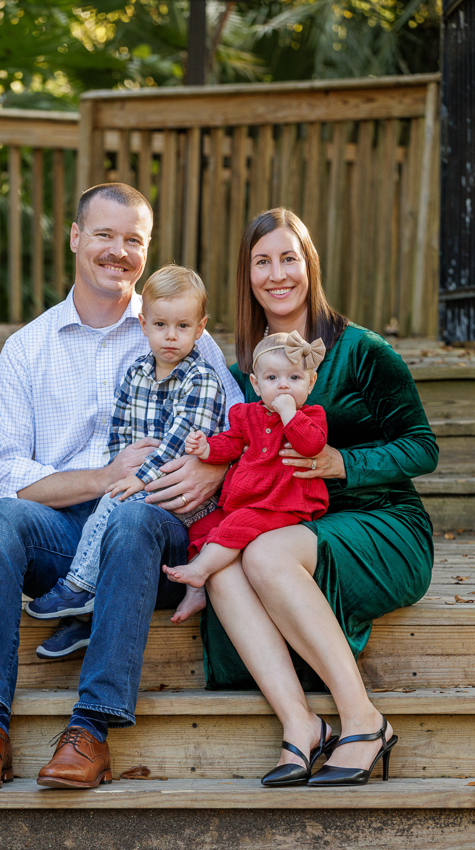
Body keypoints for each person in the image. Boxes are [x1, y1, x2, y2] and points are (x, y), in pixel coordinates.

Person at [0, 183, 243, 789]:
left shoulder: (177, 327)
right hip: (62, 532)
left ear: (147, 249)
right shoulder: (27, 348)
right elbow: (1, 476)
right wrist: (105, 478)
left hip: (153, 532)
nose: (118, 251)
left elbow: (240, 425)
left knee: (131, 519)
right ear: (75, 236)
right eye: (104, 234)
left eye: (133, 239)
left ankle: (91, 729)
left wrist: (213, 468)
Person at [198, 207, 438, 788]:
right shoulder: (244, 370)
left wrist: (343, 463)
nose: (277, 274)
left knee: (264, 554)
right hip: (286, 522)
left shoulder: (361, 351)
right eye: (262, 262)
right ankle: (300, 723)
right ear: (247, 274)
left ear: (310, 265)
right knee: (222, 566)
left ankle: (364, 720)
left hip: (380, 520)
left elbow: (422, 447)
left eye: (289, 258)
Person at [26, 264, 226, 632]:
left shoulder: (202, 379)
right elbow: (120, 428)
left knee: (116, 503)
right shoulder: (137, 373)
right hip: (144, 484)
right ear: (143, 325)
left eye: (183, 326)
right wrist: (122, 470)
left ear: (200, 328)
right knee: (112, 502)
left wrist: (138, 480)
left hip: (182, 496)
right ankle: (82, 621)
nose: (171, 336)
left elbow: (179, 440)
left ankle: (78, 588)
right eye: (161, 324)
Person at [162, 331, 329, 589]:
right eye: (272, 378)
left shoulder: (311, 416)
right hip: (247, 499)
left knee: (238, 524)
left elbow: (310, 446)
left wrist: (288, 413)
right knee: (201, 527)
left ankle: (199, 570)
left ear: (311, 383)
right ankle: (197, 591)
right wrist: (207, 448)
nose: (283, 385)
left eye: (294, 377)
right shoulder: (246, 414)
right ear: (256, 384)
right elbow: (232, 442)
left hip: (285, 502)